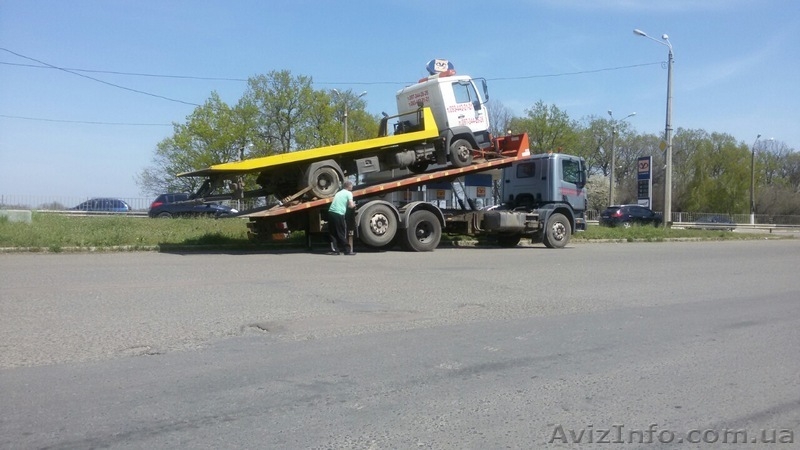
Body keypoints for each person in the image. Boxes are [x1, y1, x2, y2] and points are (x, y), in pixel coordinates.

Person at [327, 180, 356, 255]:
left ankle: (335, 250)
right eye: (351, 185)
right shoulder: (349, 193)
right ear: (349, 186)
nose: (352, 186)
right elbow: (350, 205)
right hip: (339, 213)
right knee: (341, 233)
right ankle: (347, 250)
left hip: (331, 212)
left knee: (332, 233)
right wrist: (354, 205)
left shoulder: (338, 193)